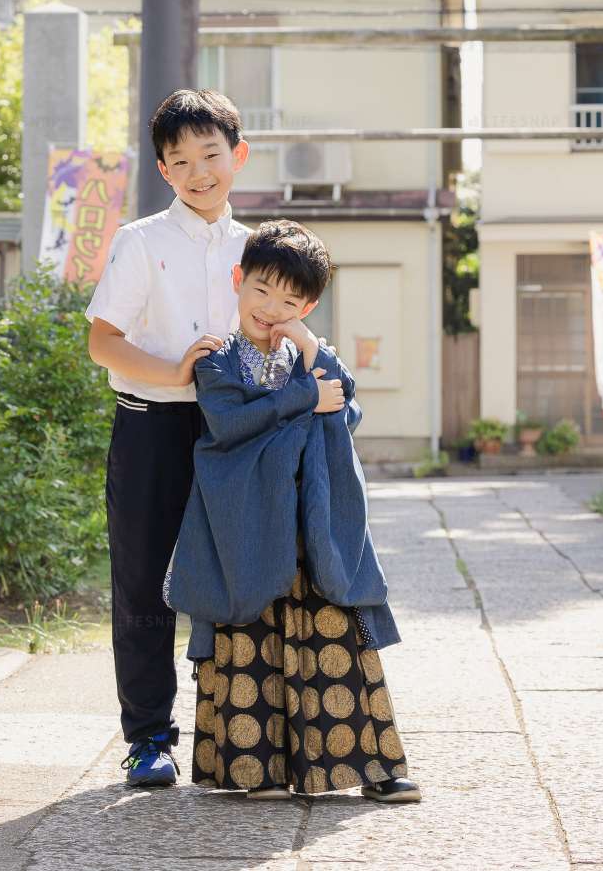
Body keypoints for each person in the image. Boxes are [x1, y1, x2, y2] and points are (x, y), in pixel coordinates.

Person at [164, 220, 421, 803]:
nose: (271, 308)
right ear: (238, 280)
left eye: (291, 300)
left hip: (314, 526)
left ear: (308, 305)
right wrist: (305, 400)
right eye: (261, 291)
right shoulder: (218, 357)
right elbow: (230, 426)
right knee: (250, 635)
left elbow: (345, 411)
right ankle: (257, 772)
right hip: (246, 527)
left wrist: (308, 348)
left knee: (338, 639)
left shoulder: (311, 354)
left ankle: (371, 769)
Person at [86, 89, 252, 787]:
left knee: (243, 581)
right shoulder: (140, 241)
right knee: (144, 587)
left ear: (236, 156)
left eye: (210, 154)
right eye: (180, 159)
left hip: (236, 435)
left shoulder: (259, 247)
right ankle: (149, 738)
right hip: (152, 428)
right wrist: (174, 372)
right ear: (163, 169)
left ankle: (240, 730)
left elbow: (286, 326)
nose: (198, 171)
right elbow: (102, 342)